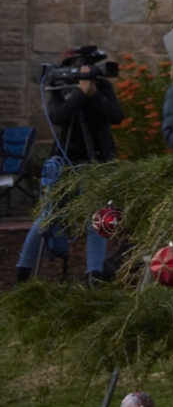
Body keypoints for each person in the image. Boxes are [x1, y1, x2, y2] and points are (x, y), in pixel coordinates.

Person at [16, 49, 124, 286]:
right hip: (64, 163)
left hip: (97, 162)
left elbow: (116, 116)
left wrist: (94, 94)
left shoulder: (102, 86)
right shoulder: (58, 85)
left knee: (96, 221)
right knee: (46, 218)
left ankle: (94, 277)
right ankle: (22, 275)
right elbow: (58, 116)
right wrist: (80, 94)